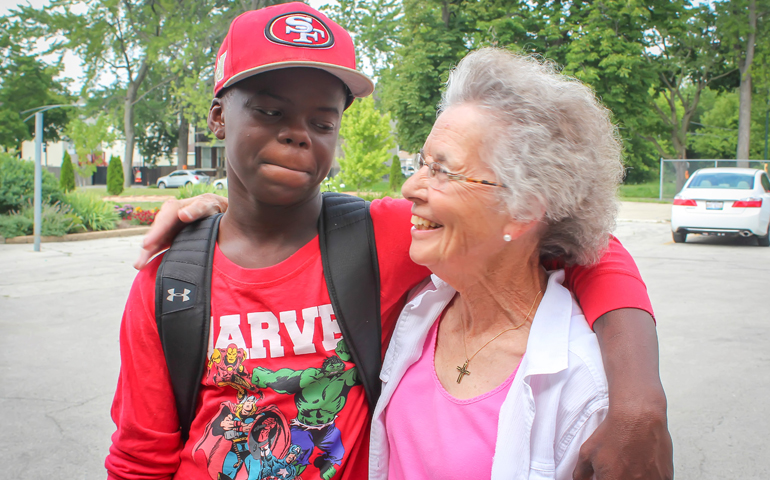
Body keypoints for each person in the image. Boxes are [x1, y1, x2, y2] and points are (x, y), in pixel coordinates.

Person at [108, 3, 672, 480]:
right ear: (218, 117)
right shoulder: (173, 282)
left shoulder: (379, 235)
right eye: (269, 110)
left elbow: (569, 242)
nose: (296, 133)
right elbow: (141, 456)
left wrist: (639, 401)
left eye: (322, 122)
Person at [368, 47, 655, 479]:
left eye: (443, 171)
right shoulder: (423, 308)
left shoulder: (584, 386)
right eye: (422, 164)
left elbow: (606, 257)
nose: (410, 187)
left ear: (523, 210)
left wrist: (640, 401)